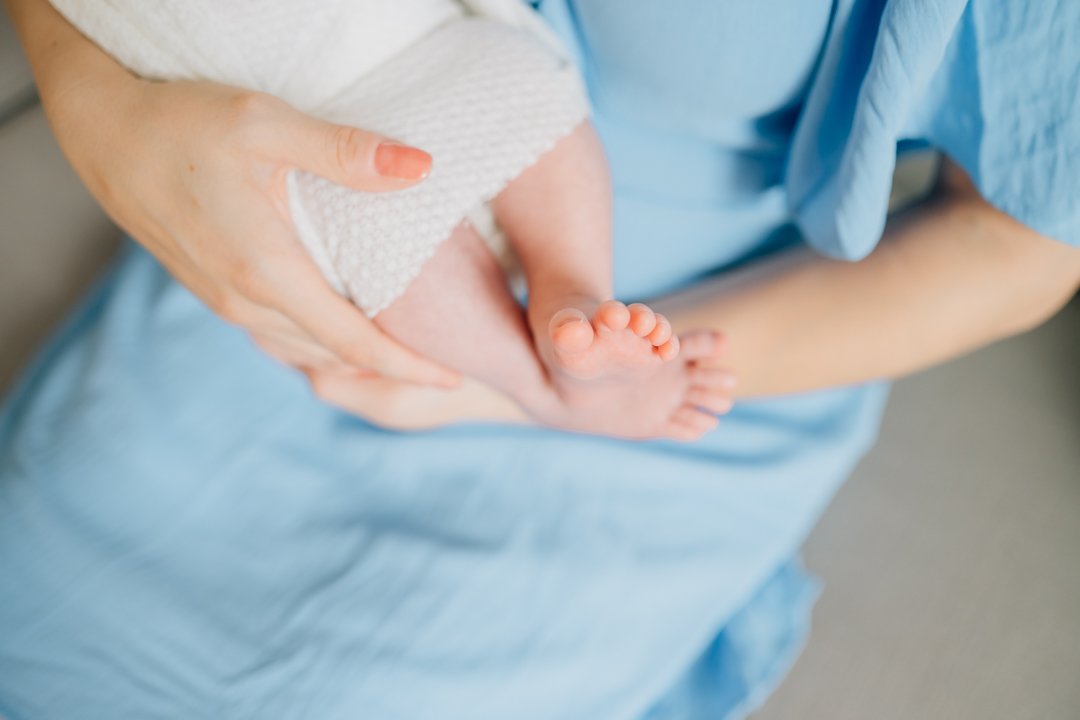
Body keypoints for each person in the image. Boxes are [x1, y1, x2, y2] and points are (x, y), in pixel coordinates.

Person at [1, 0, 1078, 718]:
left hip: (705, 338)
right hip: (298, 227)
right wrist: (92, 92)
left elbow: (1016, 252)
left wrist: (501, 398)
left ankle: (550, 358)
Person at [49, 0, 730, 441]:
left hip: (414, 36)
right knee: (379, 228)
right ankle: (537, 387)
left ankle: (575, 295)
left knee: (530, 97)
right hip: (295, 112)